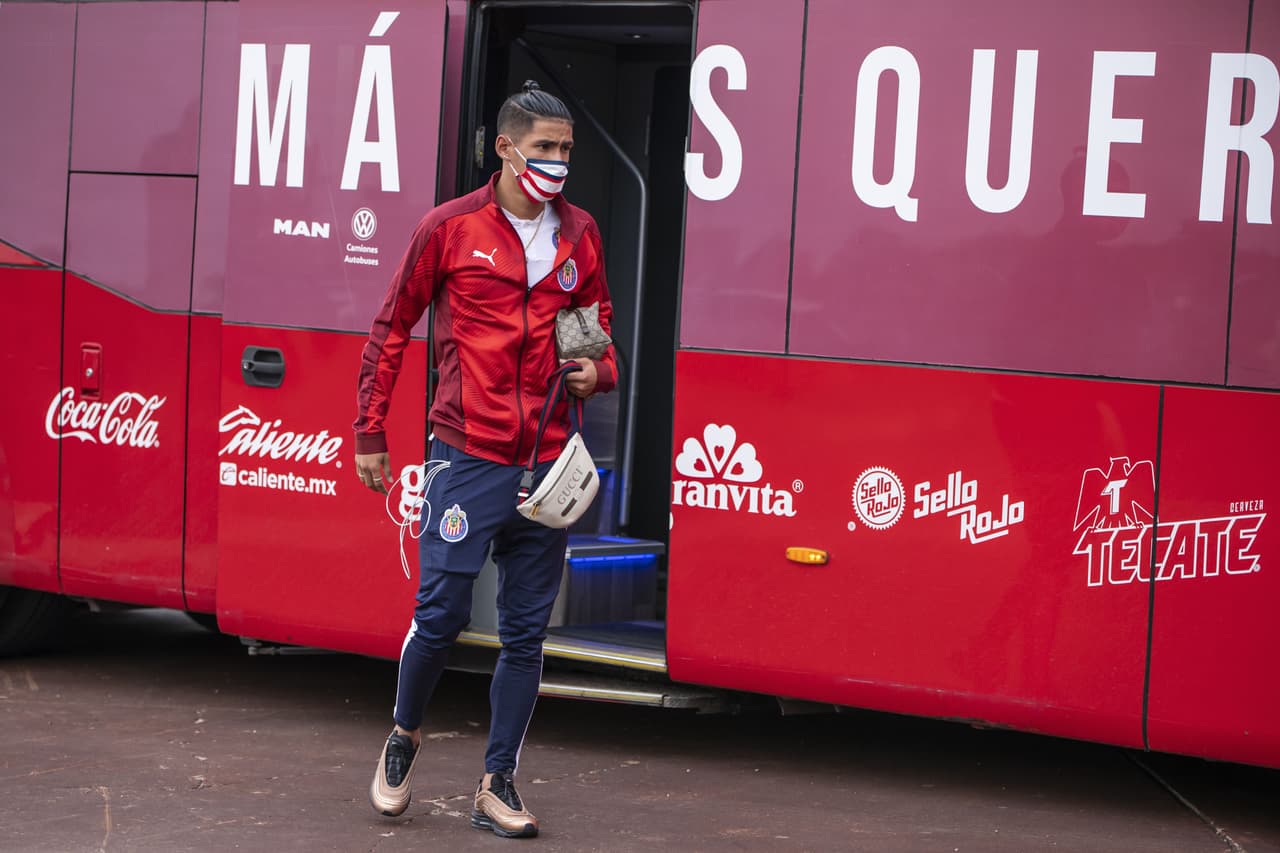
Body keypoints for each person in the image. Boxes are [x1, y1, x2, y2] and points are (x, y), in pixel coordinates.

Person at [351, 81, 617, 838]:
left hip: (551, 463)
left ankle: (498, 781)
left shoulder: (579, 234)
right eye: (544, 149)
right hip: (467, 456)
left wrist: (597, 369)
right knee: (438, 615)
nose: (558, 163)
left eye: (566, 150)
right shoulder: (449, 228)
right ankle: (403, 736)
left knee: (526, 633)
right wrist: (371, 431)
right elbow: (391, 326)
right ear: (505, 147)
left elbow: (593, 336)